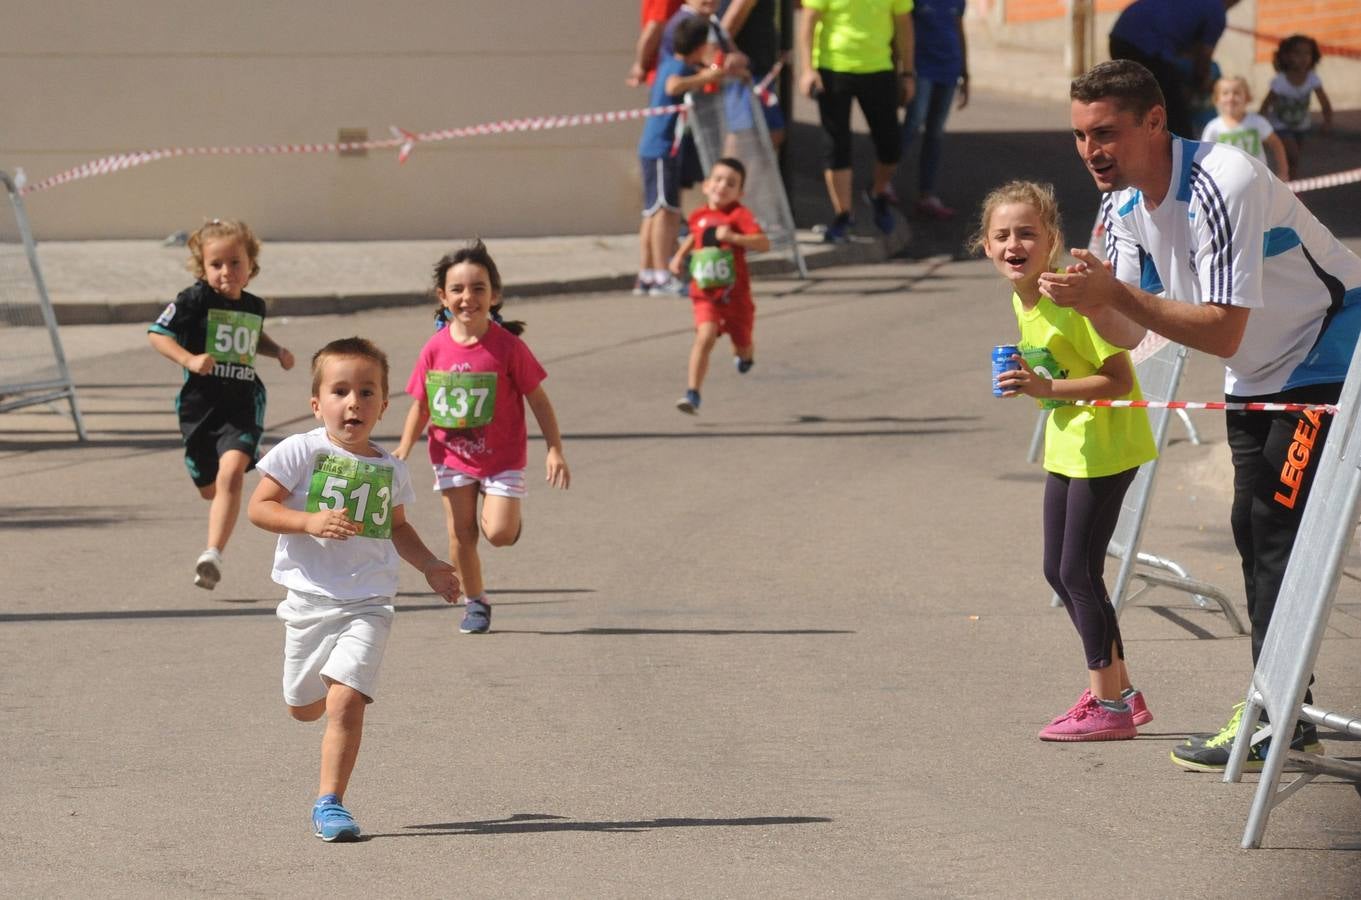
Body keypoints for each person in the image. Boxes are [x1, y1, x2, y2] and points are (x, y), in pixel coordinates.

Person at [1042, 59, 1361, 771]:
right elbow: (1130, 334)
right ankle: (1282, 708)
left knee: (1277, 528)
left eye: (1105, 132)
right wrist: (1087, 299)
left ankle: (1275, 710)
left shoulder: (1223, 180)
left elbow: (1219, 330)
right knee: (1253, 529)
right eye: (1079, 135)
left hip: (1331, 356)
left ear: (1154, 121)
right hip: (1258, 371)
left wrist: (1115, 297)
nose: (1091, 150)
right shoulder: (1123, 205)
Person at [248, 337, 459, 842]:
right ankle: (320, 690)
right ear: (317, 402)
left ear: (384, 405)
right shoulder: (300, 450)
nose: (354, 403)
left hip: (369, 603)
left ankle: (330, 803)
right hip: (308, 603)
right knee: (303, 707)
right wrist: (309, 521)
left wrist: (430, 564)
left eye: (367, 393)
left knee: (346, 700)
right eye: (340, 391)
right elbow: (260, 508)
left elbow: (398, 527)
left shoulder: (391, 469)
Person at [977, 180, 1157, 741]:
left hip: (1106, 443)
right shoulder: (1022, 297)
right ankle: (1122, 692)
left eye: (1027, 233)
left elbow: (1120, 378)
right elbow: (1053, 374)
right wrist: (1033, 384)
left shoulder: (1067, 298)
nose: (1014, 244)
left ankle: (1107, 707)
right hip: (1069, 441)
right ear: (985, 246)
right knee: (1058, 570)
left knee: (1078, 571)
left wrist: (1044, 389)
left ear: (1052, 239)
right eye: (1002, 236)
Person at [394, 240, 570, 636]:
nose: (467, 297)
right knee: (461, 533)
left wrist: (555, 449)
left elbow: (538, 400)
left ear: (495, 295)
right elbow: (421, 405)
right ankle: (476, 602)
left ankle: (505, 518)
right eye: (457, 289)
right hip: (452, 456)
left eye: (478, 288)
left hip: (502, 458)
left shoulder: (508, 347)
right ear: (443, 296)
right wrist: (404, 447)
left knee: (500, 534)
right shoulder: (434, 349)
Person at [147, 218, 294, 592]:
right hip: (200, 409)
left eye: (235, 263)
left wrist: (276, 351)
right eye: (216, 264)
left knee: (231, 475)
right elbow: (158, 334)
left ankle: (213, 553)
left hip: (243, 404)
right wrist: (189, 360)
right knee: (210, 487)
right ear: (203, 268)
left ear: (250, 267)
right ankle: (217, 505)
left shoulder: (254, 305)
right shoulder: (194, 300)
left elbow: (254, 335)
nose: (226, 271)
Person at [798, 0, 915, 242]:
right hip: (832, 68)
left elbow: (904, 24)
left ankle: (877, 192)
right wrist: (808, 69)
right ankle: (843, 215)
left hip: (879, 68)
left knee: (891, 145)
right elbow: (809, 20)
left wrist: (907, 73)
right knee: (836, 144)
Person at [634, 15, 727, 298]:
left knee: (654, 212)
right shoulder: (676, 67)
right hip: (662, 149)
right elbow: (673, 86)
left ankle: (647, 274)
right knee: (665, 212)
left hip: (657, 149)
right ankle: (662, 274)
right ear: (699, 46)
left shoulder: (674, 65)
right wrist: (708, 75)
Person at [668, 157, 770, 414]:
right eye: (718, 180)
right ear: (706, 185)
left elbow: (763, 243)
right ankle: (692, 393)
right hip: (705, 293)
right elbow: (695, 236)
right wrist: (679, 257)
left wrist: (734, 237)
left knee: (743, 345)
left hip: (736, 296)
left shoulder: (739, 215)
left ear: (740, 192)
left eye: (731, 183)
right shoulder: (699, 215)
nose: (722, 186)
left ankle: (745, 357)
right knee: (705, 336)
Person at [1107, 0, 1240, 139]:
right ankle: (1182, 155)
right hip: (1147, 48)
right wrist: (1201, 84)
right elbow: (1203, 58)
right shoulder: (1216, 10)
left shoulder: (1197, 6)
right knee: (1173, 110)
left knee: (1140, 100)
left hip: (1119, 38)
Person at [899, 0, 968, 221]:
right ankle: (882, 184)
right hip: (921, 69)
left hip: (948, 69)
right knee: (913, 123)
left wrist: (966, 73)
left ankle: (926, 195)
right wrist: (902, 69)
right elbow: (901, 26)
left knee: (935, 132)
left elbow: (959, 30)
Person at [1260, 34, 1333, 181]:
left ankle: (1292, 184)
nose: (1303, 57)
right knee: (1292, 154)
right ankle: (1286, 182)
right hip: (1280, 126)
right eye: (1297, 53)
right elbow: (1265, 105)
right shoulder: (1280, 81)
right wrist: (1259, 127)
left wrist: (1327, 121)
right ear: (1287, 56)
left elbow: (1324, 102)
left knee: (1294, 159)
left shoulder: (1312, 79)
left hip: (1301, 126)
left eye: (1307, 53)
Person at [720, 0, 786, 148]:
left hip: (756, 69)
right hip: (746, 73)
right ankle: (736, 169)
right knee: (742, 134)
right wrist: (729, 52)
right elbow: (727, 27)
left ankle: (751, 169)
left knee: (773, 131)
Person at [1200, 75, 1288, 179]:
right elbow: (1203, 155)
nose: (1231, 98)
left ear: (1247, 98)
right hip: (1227, 182)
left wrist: (1283, 172)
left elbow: (1276, 144)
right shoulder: (1213, 128)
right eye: (1225, 93)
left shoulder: (1257, 122)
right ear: (1216, 99)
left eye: (1236, 93)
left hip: (1258, 180)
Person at [626, 0, 685, 87]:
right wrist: (641, 65)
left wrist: (641, 65)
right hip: (667, 68)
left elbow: (655, 27)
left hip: (671, 68)